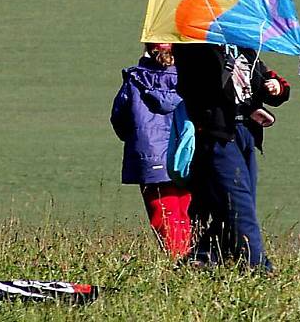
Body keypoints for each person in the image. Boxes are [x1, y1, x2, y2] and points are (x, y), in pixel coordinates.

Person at [173, 43, 290, 271]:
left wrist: (275, 87)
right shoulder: (193, 50)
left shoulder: (245, 49)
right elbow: (199, 88)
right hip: (217, 137)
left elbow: (266, 81)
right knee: (240, 205)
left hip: (246, 134)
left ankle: (203, 256)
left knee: (235, 205)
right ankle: (257, 267)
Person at [110, 43, 192, 258]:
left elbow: (120, 118)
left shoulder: (135, 79)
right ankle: (192, 257)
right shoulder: (194, 77)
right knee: (186, 211)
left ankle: (177, 259)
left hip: (149, 156)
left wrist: (136, 140)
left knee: (163, 213)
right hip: (187, 155)